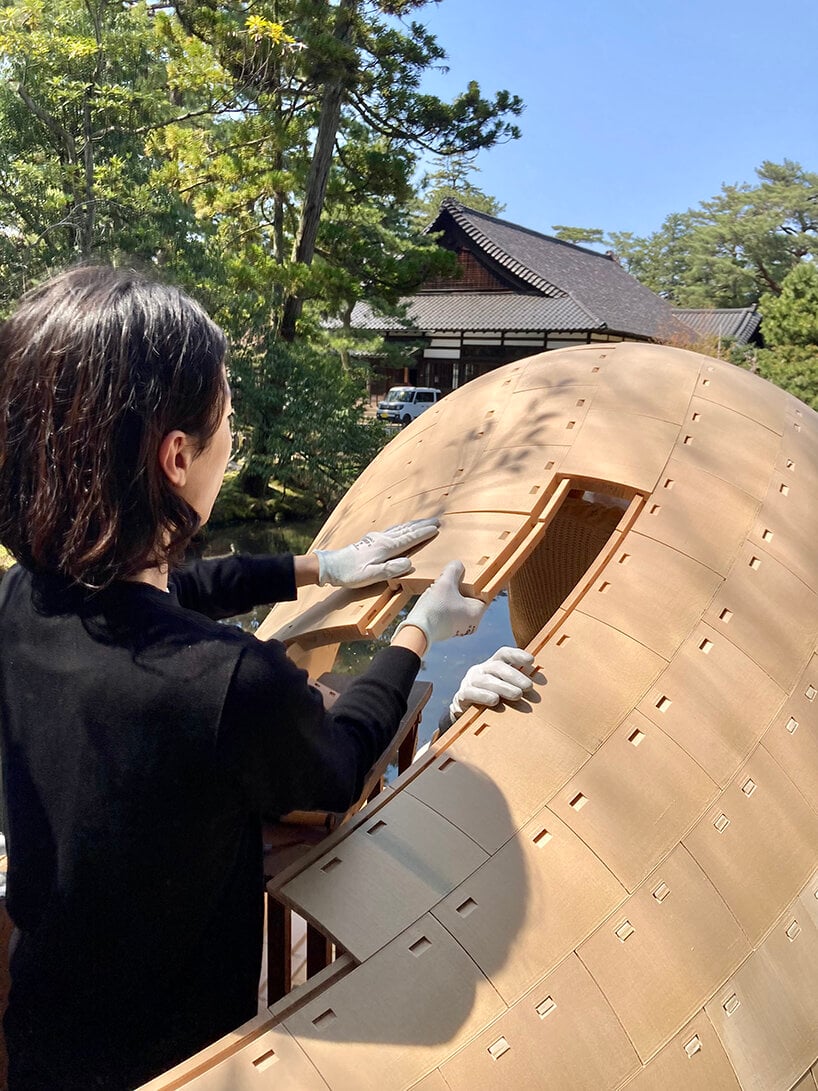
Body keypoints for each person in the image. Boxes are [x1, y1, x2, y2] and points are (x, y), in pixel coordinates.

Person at [0, 266, 497, 1089]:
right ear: (178, 455)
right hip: (182, 1057)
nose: (235, 439)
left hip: (44, 1027)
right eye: (228, 419)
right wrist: (421, 628)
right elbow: (336, 767)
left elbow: (161, 590)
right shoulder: (231, 683)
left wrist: (316, 565)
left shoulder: (22, 601)